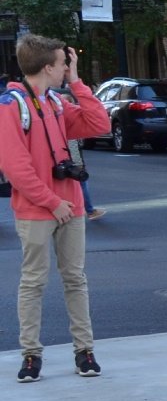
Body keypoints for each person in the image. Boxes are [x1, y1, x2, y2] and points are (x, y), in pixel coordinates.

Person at [4, 35, 110, 382]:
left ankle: (85, 351)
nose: (66, 68)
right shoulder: (11, 105)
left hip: (72, 206)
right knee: (33, 282)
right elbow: (16, 169)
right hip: (38, 209)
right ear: (48, 67)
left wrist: (77, 82)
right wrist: (53, 202)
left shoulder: (57, 103)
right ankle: (31, 355)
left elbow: (99, 124)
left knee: (75, 279)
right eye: (64, 64)